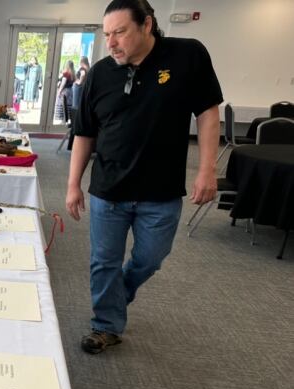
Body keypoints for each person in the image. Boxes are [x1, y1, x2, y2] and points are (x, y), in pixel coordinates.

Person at [66, 0, 222, 354]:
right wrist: (73, 184)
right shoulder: (101, 74)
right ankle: (106, 325)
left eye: (120, 32)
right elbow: (85, 134)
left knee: (151, 258)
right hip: (108, 190)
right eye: (107, 34)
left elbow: (208, 113)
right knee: (103, 261)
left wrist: (207, 170)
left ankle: (116, 296)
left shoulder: (188, 56)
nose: (112, 43)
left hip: (161, 191)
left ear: (147, 25)